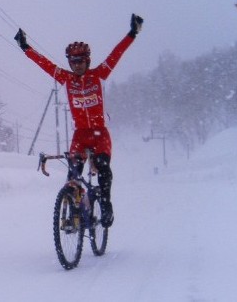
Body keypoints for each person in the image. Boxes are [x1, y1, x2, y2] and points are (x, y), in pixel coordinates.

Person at [14, 13, 143, 227]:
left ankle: (106, 205)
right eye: (73, 62)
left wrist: (132, 33)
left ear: (87, 60)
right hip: (80, 136)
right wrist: (25, 47)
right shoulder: (66, 79)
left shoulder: (99, 74)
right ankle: (74, 214)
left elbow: (116, 54)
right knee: (73, 175)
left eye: (81, 61)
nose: (77, 65)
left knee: (103, 168)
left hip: (100, 134)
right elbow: (44, 64)